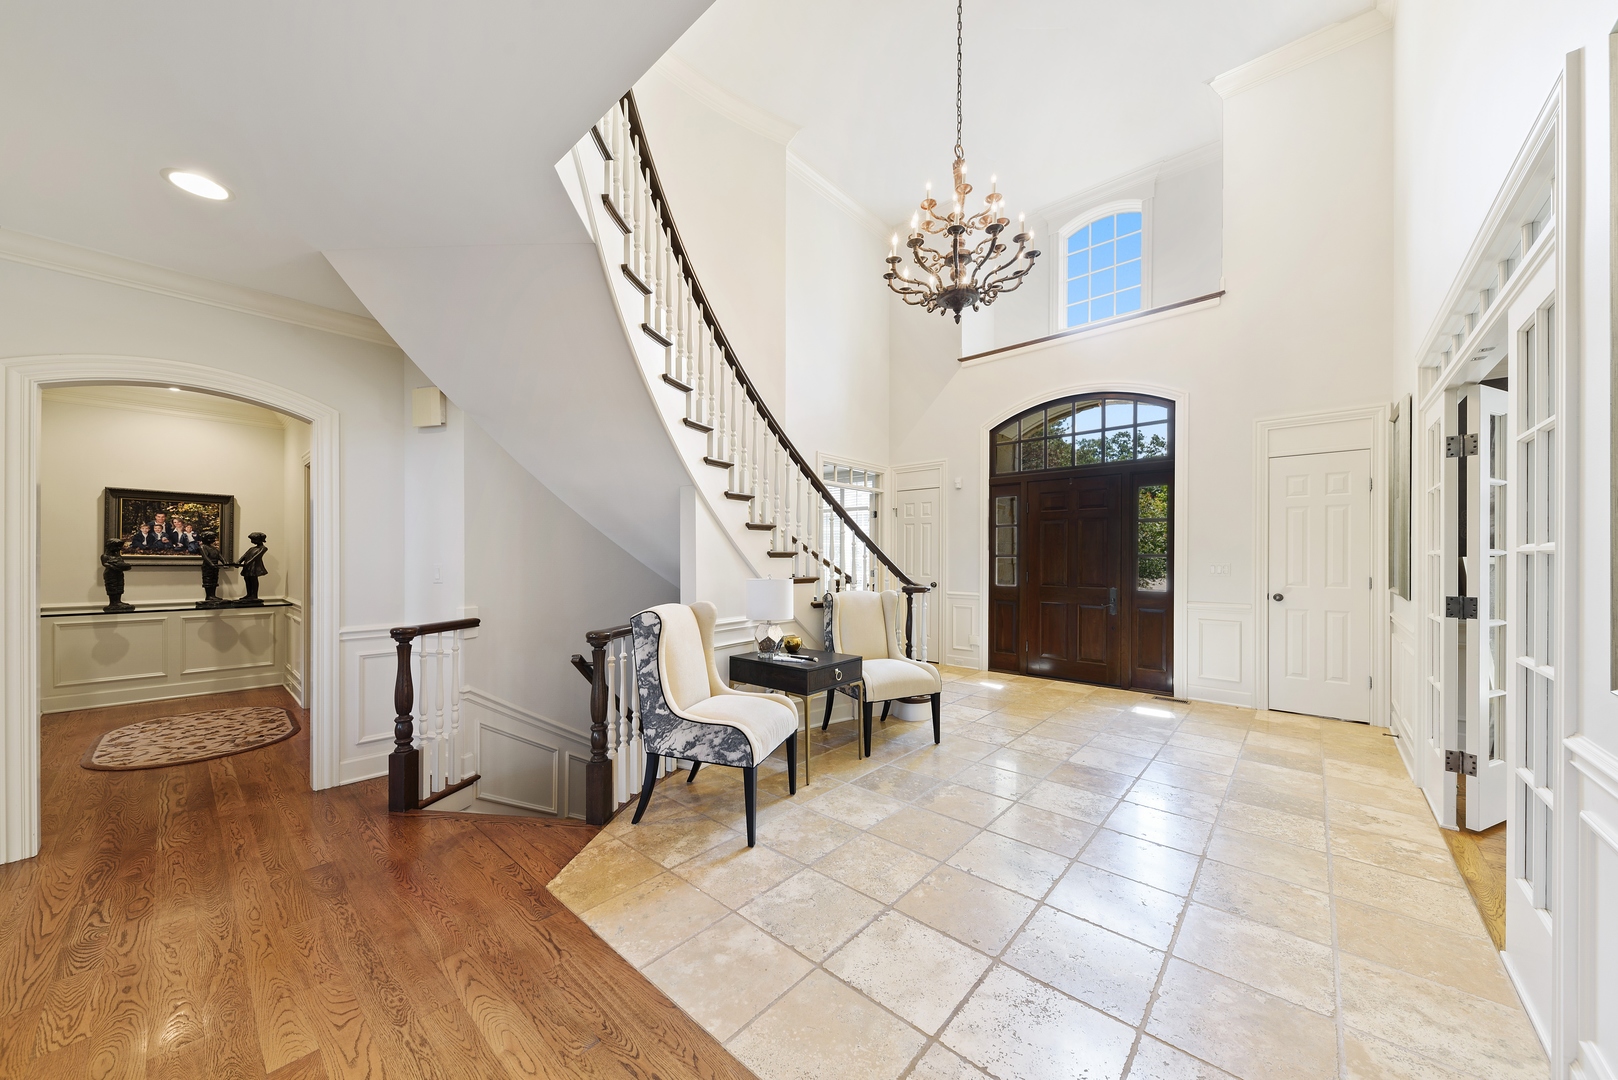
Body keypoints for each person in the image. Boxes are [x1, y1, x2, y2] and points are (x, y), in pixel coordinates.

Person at [196, 529, 234, 607]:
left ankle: (213, 595)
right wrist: (211, 564)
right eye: (211, 538)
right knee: (208, 581)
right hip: (208, 567)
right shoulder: (203, 547)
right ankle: (209, 596)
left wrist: (225, 563)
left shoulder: (214, 548)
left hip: (215, 567)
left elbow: (220, 557)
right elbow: (205, 557)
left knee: (214, 581)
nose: (213, 540)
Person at [100, 539, 134, 612]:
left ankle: (118, 601)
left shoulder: (118, 556)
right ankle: (113, 603)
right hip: (110, 574)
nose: (119, 548)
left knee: (119, 587)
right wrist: (115, 567)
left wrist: (124, 566)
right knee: (112, 587)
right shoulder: (105, 556)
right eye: (117, 547)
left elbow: (122, 563)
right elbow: (105, 564)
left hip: (119, 574)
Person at [235, 532, 268, 606]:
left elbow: (256, 557)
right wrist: (239, 561)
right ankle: (249, 594)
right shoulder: (251, 548)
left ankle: (254, 595)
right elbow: (245, 556)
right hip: (248, 566)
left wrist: (248, 562)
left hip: (254, 566)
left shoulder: (263, 548)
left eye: (253, 539)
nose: (252, 541)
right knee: (247, 579)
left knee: (253, 579)